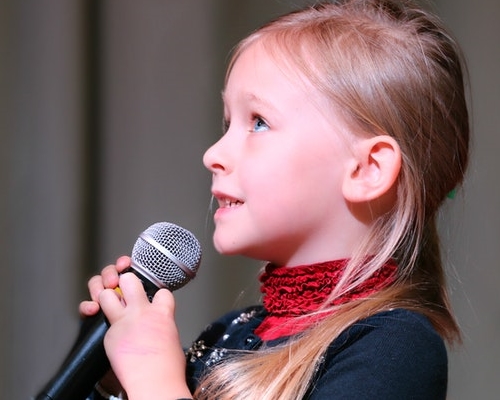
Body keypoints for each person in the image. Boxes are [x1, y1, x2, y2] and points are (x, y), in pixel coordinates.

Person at [80, 0, 470, 398]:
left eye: (259, 122)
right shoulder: (229, 333)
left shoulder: (393, 345)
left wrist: (154, 381)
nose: (212, 154)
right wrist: (117, 384)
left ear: (366, 169)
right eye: (227, 122)